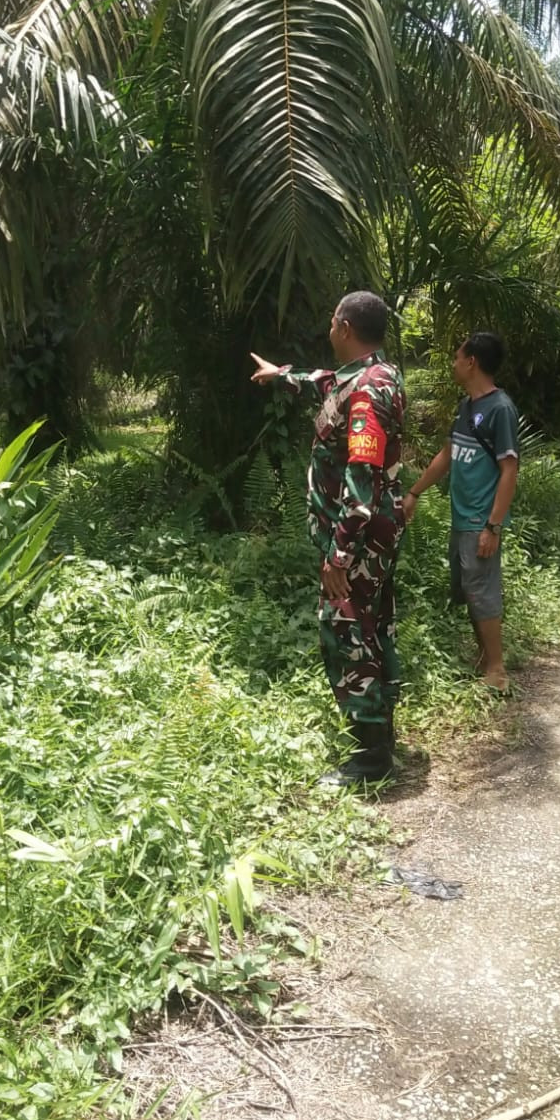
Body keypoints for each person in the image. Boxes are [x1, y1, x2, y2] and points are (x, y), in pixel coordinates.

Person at [248, 291, 408, 787]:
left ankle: (369, 759)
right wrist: (282, 375)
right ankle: (381, 731)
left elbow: (361, 483)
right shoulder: (374, 375)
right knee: (373, 624)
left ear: (342, 326)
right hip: (373, 537)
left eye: (331, 321)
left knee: (346, 632)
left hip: (358, 542)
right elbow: (324, 382)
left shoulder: (365, 393)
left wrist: (339, 555)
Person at [401, 332, 519, 691]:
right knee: (469, 588)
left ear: (472, 362)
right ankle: (484, 658)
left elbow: (509, 470)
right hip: (461, 516)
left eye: (457, 357)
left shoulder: (500, 409)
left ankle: (497, 670)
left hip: (480, 519)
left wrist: (493, 526)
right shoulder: (468, 406)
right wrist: (415, 492)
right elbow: (448, 455)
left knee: (482, 589)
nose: (453, 363)